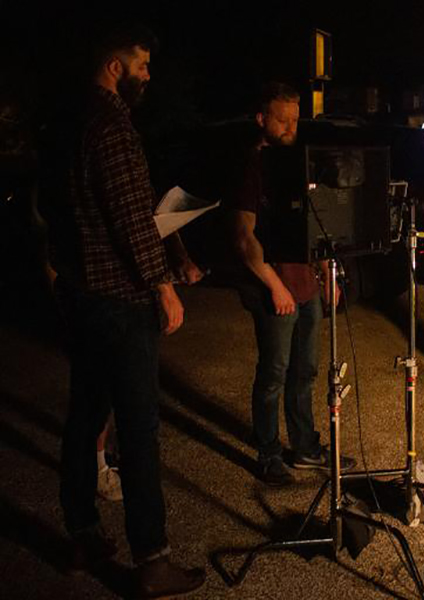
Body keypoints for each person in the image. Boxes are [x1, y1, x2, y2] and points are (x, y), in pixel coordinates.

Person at [40, 23, 205, 598]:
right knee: (138, 428)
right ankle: (152, 561)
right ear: (115, 65)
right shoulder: (111, 127)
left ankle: (82, 535)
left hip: (81, 293)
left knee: (86, 414)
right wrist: (162, 285)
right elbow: (132, 221)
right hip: (119, 300)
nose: (148, 74)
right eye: (141, 64)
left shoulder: (66, 121)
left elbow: (56, 208)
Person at [228, 82, 355, 486]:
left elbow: (313, 223)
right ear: (261, 119)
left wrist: (326, 273)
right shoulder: (253, 167)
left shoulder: (296, 163)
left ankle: (304, 447)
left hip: (305, 284)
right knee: (274, 373)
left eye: (295, 120)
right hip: (275, 288)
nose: (289, 128)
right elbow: (244, 238)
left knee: (306, 371)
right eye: (282, 120)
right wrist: (274, 285)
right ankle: (268, 452)